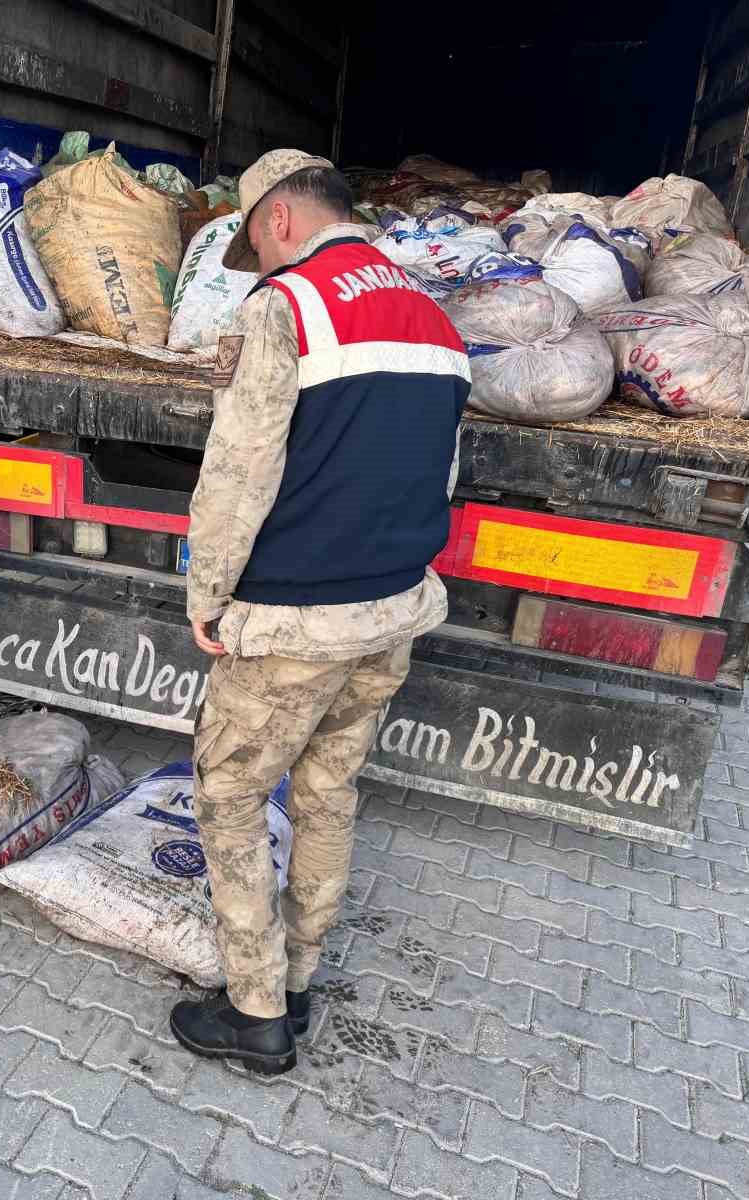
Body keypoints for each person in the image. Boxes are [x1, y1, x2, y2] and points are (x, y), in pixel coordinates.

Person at [170, 151, 469, 1074]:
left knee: (227, 798)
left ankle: (255, 1012)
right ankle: (300, 977)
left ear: (282, 220)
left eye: (255, 242)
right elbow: (444, 472)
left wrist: (206, 594)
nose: (258, 264)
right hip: (394, 608)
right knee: (328, 789)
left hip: (296, 620)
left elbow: (239, 469)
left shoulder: (286, 306)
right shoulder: (434, 319)